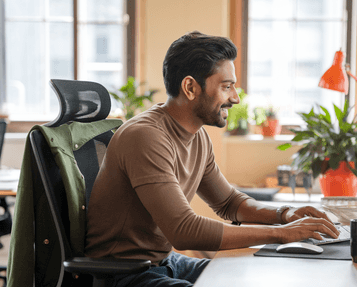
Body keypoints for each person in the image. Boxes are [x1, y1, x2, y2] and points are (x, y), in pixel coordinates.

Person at [85, 31, 339, 287]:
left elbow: (229, 202)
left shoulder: (197, 137)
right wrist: (281, 234)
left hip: (163, 263)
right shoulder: (145, 136)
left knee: (254, 276)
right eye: (226, 86)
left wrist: (286, 214)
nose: (235, 98)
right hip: (120, 274)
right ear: (190, 87)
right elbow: (184, 230)